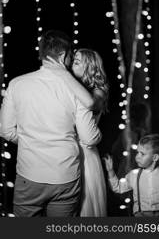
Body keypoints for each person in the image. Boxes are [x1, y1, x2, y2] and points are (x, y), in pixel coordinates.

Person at [0, 30, 101, 217]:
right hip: (65, 174)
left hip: (29, 174)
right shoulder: (76, 90)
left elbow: (6, 131)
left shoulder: (16, 84)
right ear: (63, 56)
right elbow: (89, 137)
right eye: (71, 57)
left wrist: (31, 142)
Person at [45, 48, 108, 216]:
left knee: (85, 206)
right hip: (64, 149)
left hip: (85, 153)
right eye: (73, 60)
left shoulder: (99, 91)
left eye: (77, 62)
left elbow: (89, 104)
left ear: (90, 67)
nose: (72, 64)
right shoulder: (69, 87)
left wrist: (64, 75)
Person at [104, 134, 159, 217]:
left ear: (155, 157)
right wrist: (111, 171)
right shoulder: (134, 175)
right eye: (137, 152)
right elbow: (118, 187)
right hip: (140, 215)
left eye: (142, 154)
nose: (137, 157)